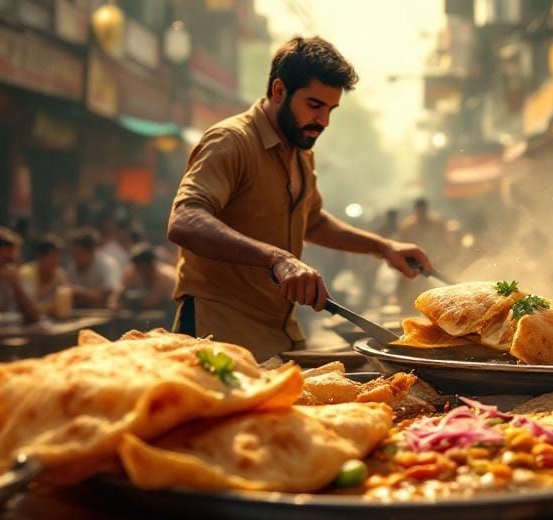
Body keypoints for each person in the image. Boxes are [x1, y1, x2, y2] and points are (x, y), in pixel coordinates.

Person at [167, 36, 431, 361]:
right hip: (217, 333)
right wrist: (279, 258)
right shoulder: (230, 141)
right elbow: (184, 219)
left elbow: (314, 221)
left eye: (331, 109)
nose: (324, 121)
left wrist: (383, 247)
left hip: (280, 333)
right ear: (279, 91)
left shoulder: (300, 150)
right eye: (315, 106)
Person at [110, 242, 176, 313]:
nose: (140, 270)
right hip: (149, 308)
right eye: (137, 266)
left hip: (171, 309)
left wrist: (129, 304)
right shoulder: (133, 271)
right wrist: (115, 302)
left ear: (151, 265)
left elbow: (151, 302)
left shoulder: (165, 275)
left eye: (143, 267)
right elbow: (119, 290)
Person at [66, 227, 121, 308]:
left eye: (78, 253)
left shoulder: (106, 265)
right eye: (73, 253)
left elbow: (106, 296)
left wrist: (78, 292)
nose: (74, 257)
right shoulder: (72, 266)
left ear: (91, 251)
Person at [20, 234, 68, 316]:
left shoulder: (58, 273)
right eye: (52, 256)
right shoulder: (27, 274)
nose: (56, 261)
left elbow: (63, 304)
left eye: (58, 256)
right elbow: (30, 308)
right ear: (40, 257)